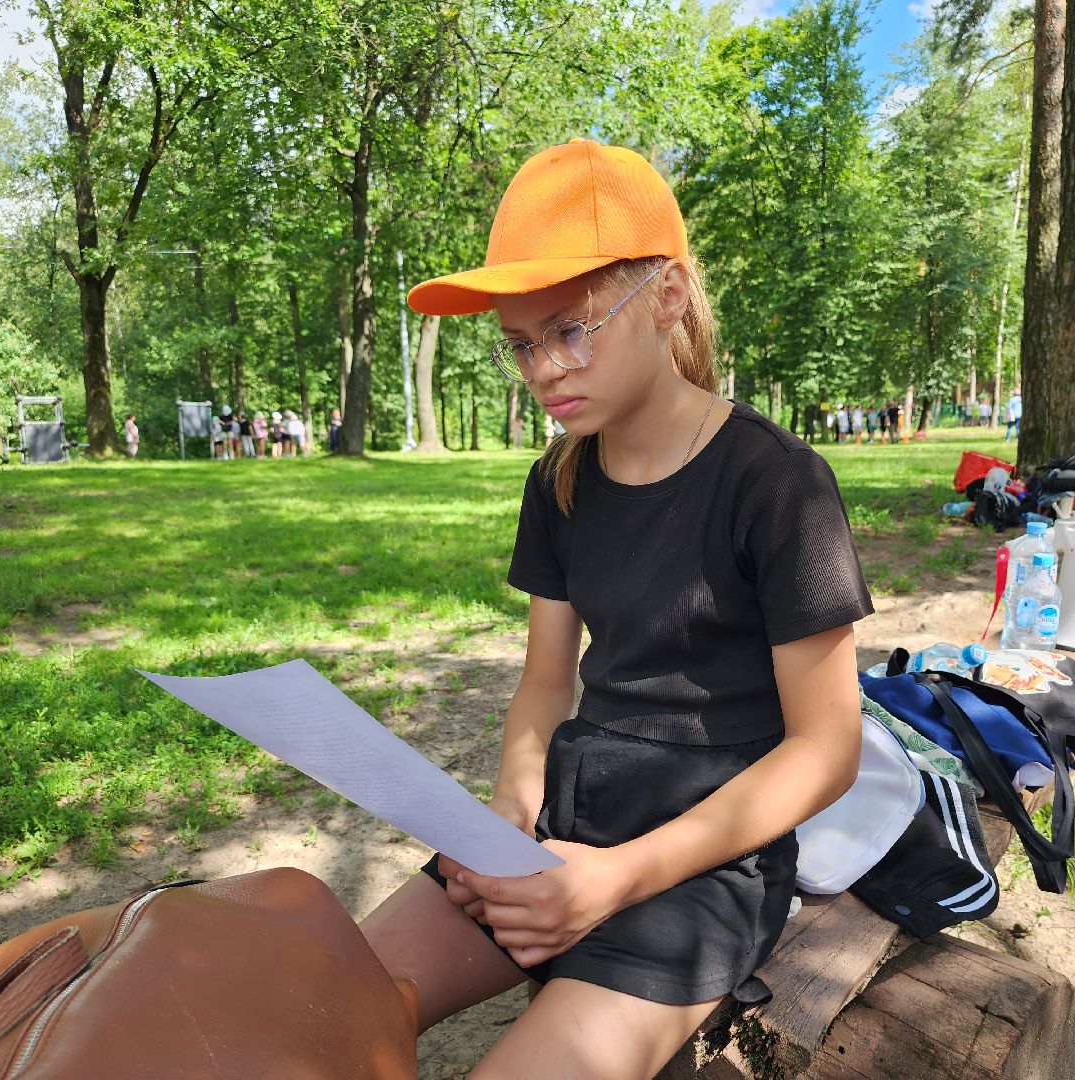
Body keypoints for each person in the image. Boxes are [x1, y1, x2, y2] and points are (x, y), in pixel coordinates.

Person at [361, 139, 871, 1078]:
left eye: (571, 329)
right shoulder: (559, 481)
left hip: (705, 866)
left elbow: (827, 748)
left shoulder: (776, 482)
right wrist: (506, 816)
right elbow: (543, 686)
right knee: (330, 1002)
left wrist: (616, 880)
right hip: (569, 820)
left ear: (667, 294)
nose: (544, 369)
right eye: (522, 343)